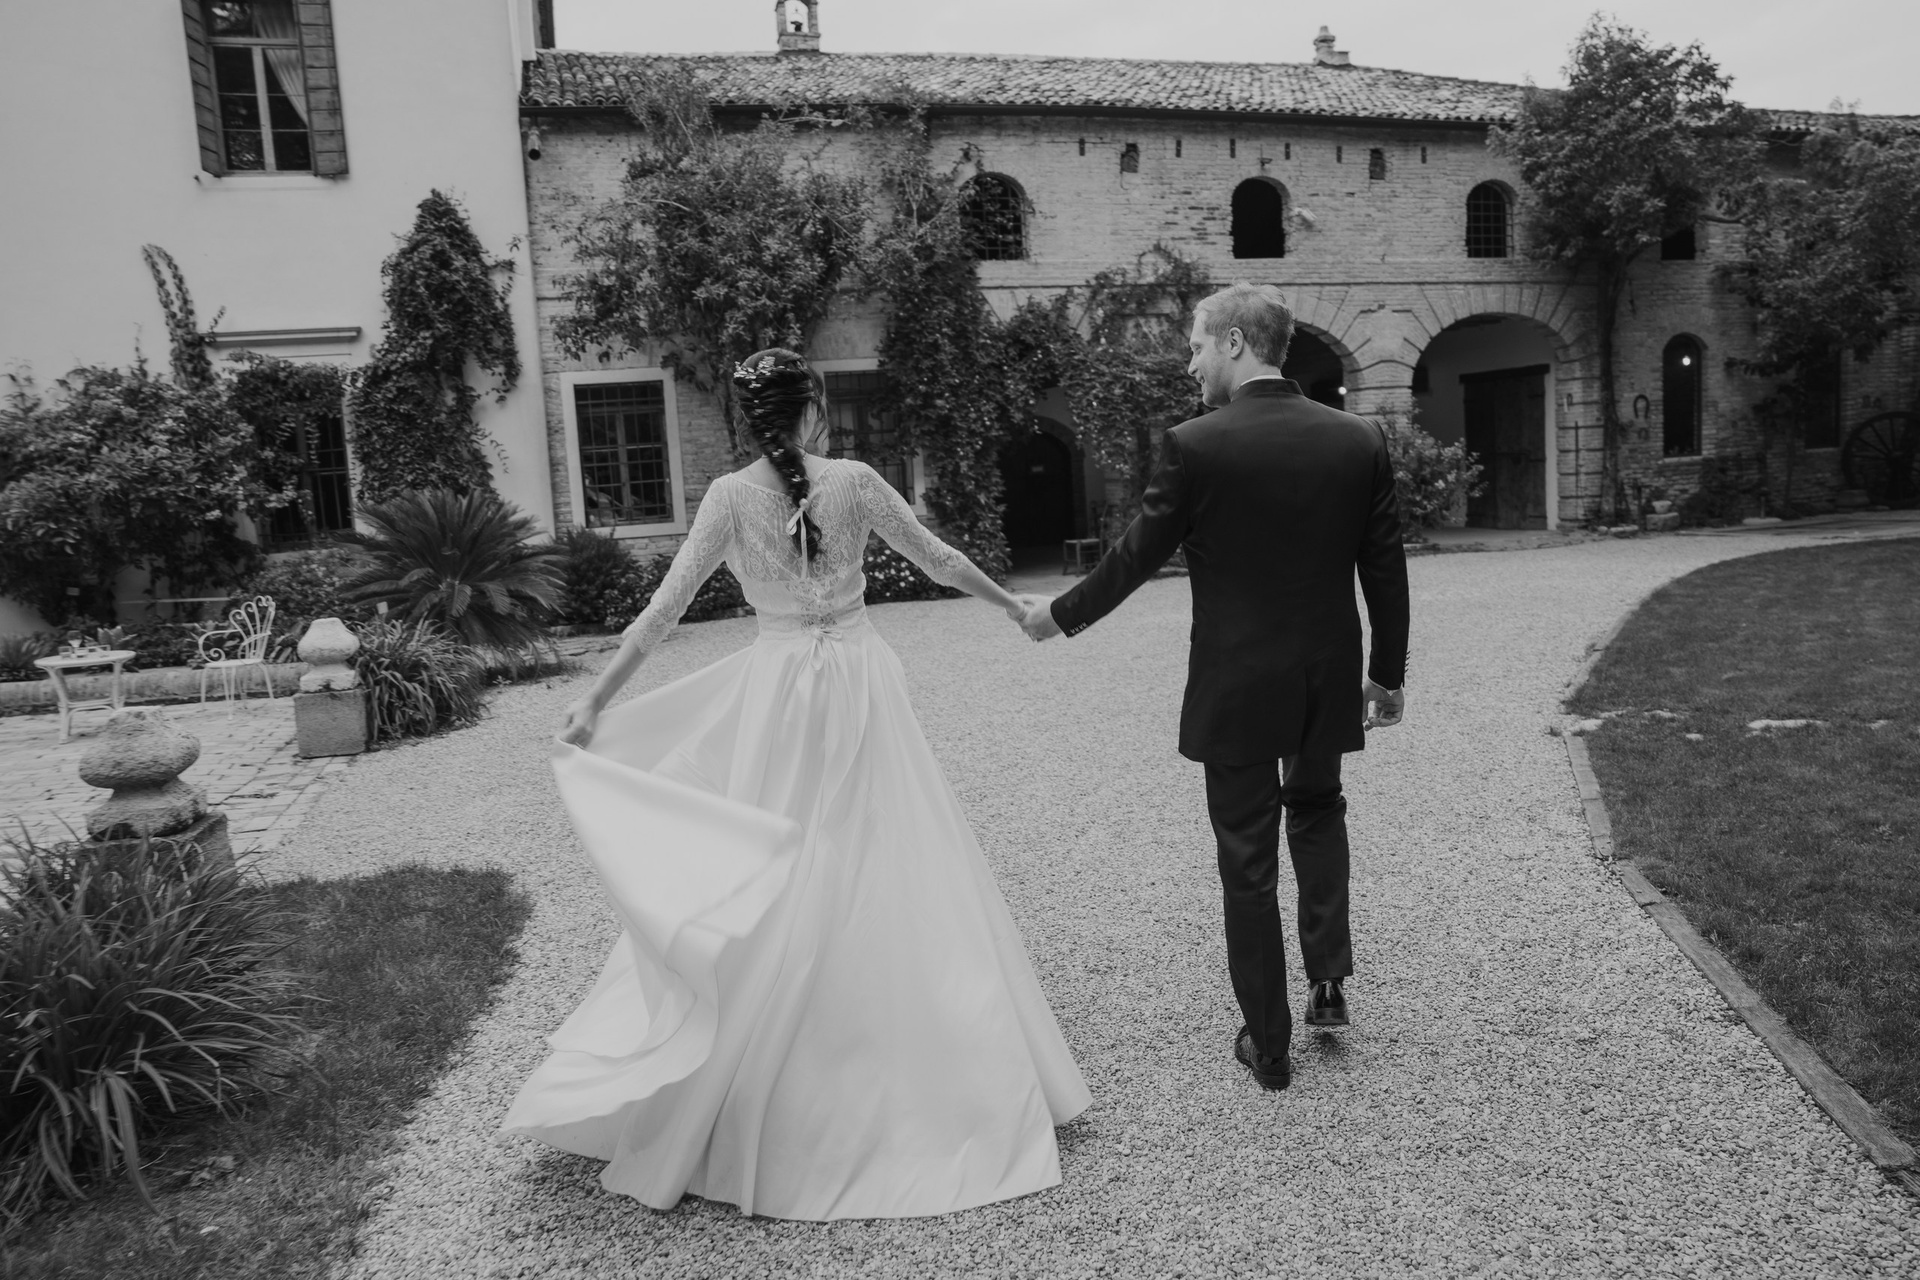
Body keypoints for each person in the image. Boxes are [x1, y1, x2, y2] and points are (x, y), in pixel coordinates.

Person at [502, 348, 1090, 1221]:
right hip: (859, 680)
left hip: (778, 692)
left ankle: (766, 1057)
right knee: (883, 846)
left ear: (747, 420)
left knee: (777, 857)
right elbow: (937, 558)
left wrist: (595, 700)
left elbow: (664, 610)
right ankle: (913, 1045)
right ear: (813, 408)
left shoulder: (728, 498)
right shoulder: (855, 481)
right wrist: (1015, 609)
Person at [1016, 281, 1410, 1092]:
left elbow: (1136, 554)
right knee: (1319, 810)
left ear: (1235, 342)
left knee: (1247, 858)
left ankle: (1270, 1045)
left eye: (1196, 345)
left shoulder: (1196, 446)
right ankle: (1328, 980)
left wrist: (1059, 615)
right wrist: (1387, 674)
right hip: (1326, 676)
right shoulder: (1358, 439)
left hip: (1237, 686)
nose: (1191, 363)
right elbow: (1384, 568)